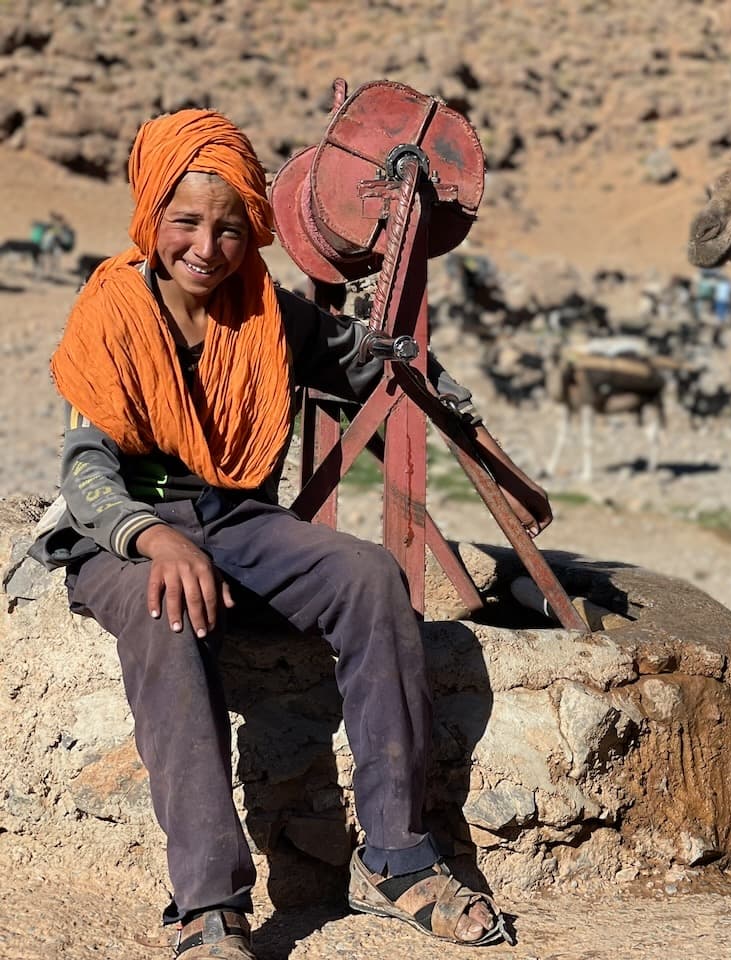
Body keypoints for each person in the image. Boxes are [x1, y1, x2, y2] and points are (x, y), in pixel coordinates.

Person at [29, 109, 510, 957]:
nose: (207, 247)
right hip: (124, 534)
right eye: (185, 223)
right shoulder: (110, 312)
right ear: (151, 217)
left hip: (236, 520)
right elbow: (85, 471)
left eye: (228, 227)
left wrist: (416, 359)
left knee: (367, 576)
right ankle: (210, 904)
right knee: (165, 614)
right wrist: (152, 537)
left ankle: (397, 854)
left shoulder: (267, 314)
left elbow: (358, 353)